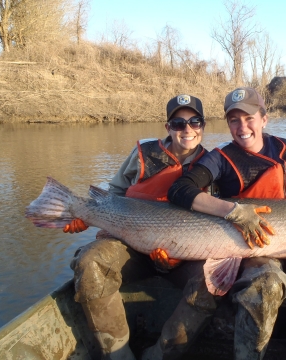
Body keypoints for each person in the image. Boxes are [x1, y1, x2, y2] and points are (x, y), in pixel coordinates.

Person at [157, 87, 286, 360]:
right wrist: (234, 212)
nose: (242, 127)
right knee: (267, 282)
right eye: (234, 120)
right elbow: (179, 190)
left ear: (264, 118)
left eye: (249, 117)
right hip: (255, 246)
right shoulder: (219, 158)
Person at [65, 94, 208, 360]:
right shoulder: (143, 153)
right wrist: (86, 216)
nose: (186, 129)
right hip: (131, 246)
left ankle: (160, 354)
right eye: (178, 123)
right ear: (168, 127)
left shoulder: (214, 165)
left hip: (185, 255)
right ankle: (118, 354)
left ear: (203, 126)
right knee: (89, 262)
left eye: (194, 121)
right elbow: (114, 194)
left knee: (213, 281)